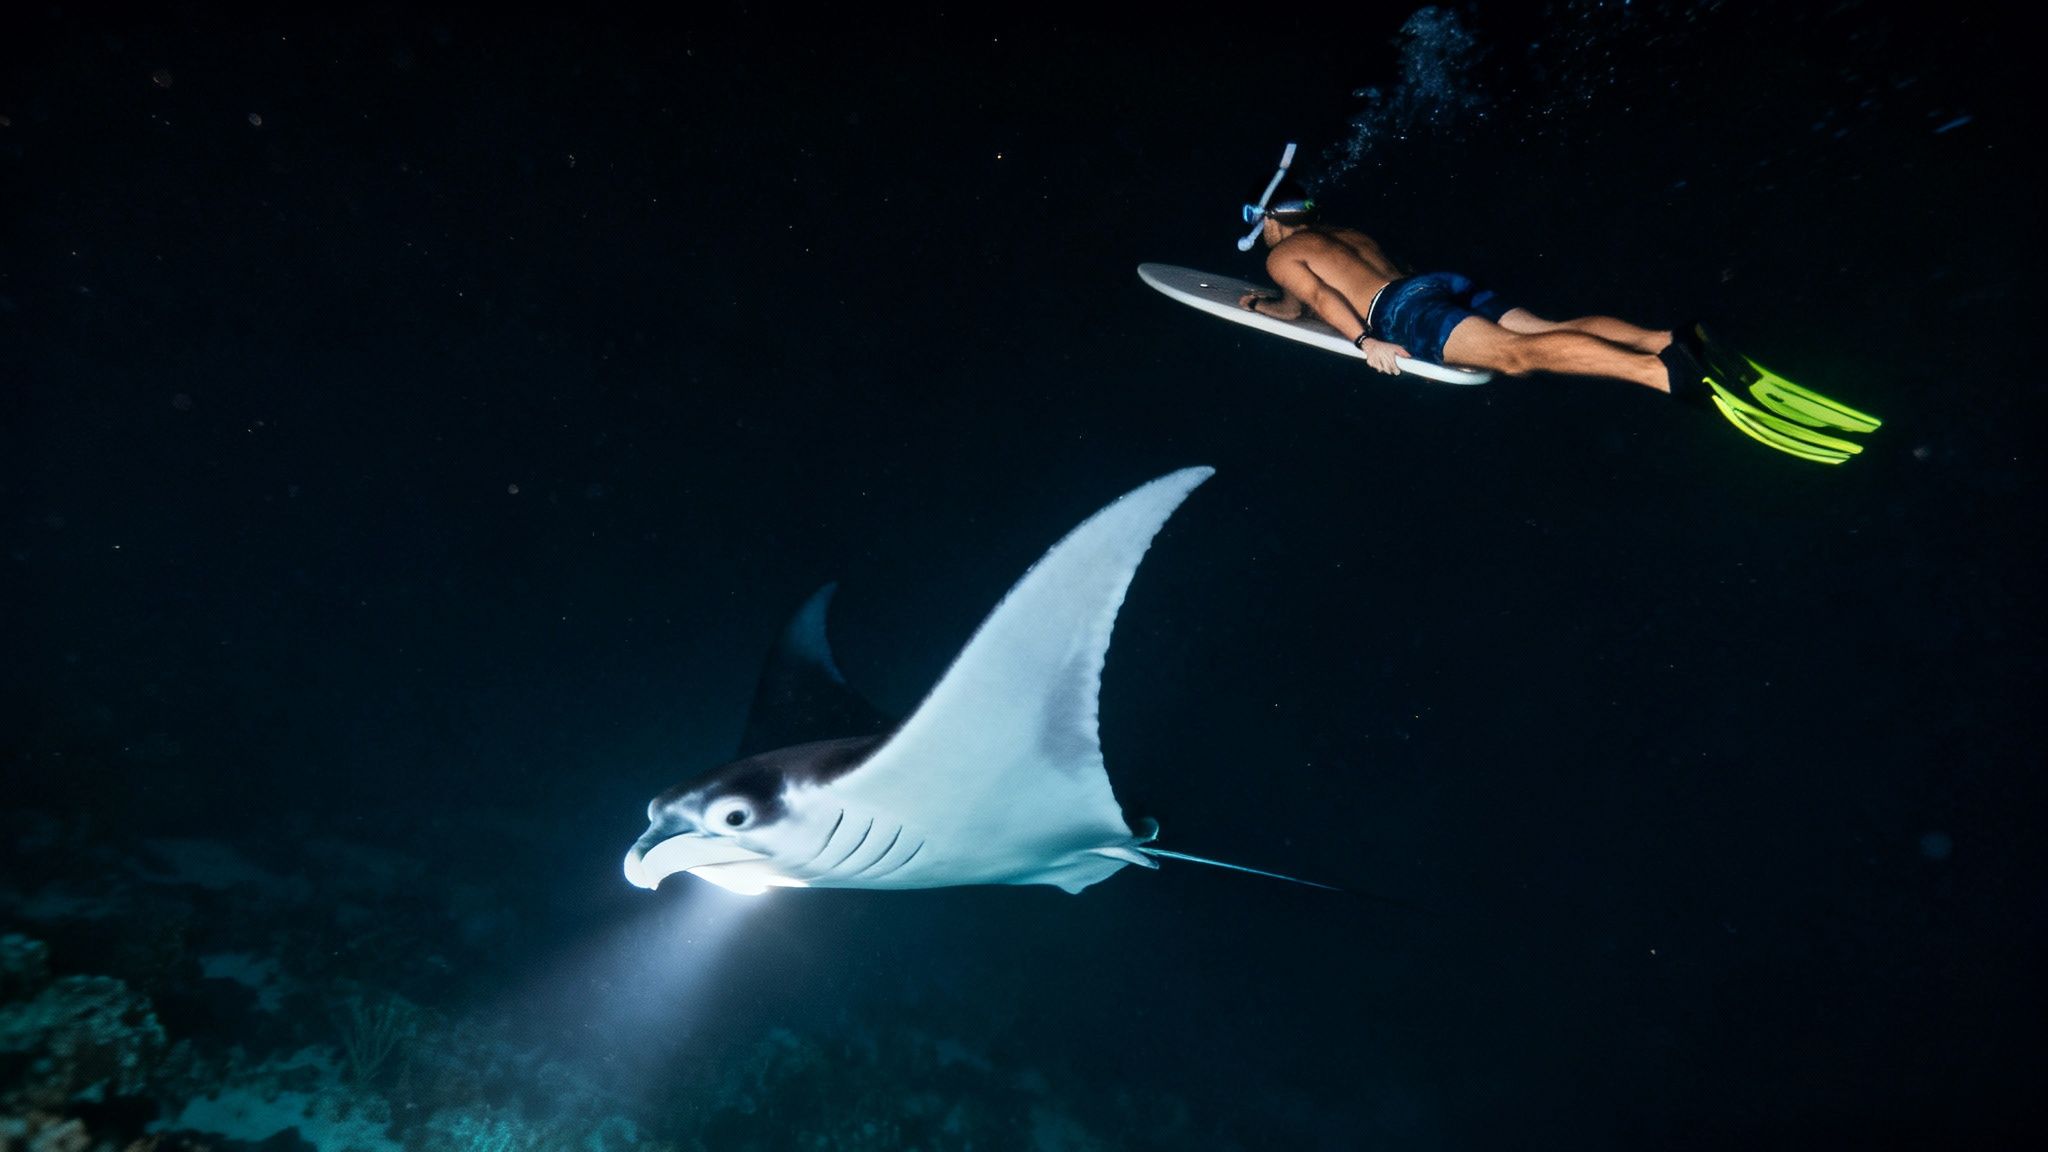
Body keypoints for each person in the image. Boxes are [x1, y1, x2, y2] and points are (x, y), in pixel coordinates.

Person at [1235, 178, 1881, 464]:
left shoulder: (1283, 253)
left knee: (1518, 359)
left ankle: (1666, 376)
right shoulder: (1339, 232)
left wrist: (1365, 340)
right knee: (1543, 330)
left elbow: (1321, 302)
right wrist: (1272, 308)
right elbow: (1307, 298)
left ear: (1270, 221)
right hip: (1432, 283)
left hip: (1399, 312)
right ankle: (1669, 338)